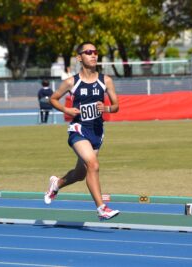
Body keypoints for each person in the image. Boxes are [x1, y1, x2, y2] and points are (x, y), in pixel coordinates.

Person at [44, 41, 120, 220]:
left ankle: (56, 184)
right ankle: (101, 208)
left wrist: (107, 109)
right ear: (79, 57)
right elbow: (53, 99)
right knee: (93, 165)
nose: (94, 55)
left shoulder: (105, 80)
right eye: (88, 52)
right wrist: (67, 110)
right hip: (78, 130)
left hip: (96, 131)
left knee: (80, 173)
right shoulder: (71, 82)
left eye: (95, 52)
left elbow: (116, 106)